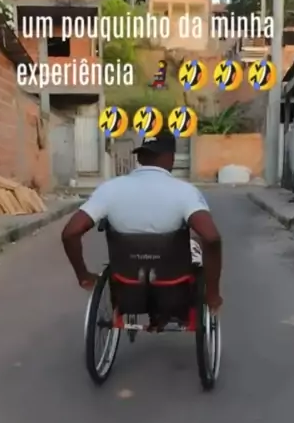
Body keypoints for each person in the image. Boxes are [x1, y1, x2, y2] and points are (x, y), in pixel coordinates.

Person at [61, 129, 222, 312]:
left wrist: (83, 275)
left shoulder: (109, 189)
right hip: (174, 283)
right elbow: (211, 237)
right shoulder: (186, 192)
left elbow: (70, 233)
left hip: (126, 281)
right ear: (171, 158)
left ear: (140, 157)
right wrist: (212, 294)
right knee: (196, 244)